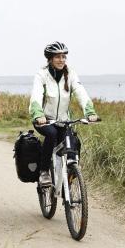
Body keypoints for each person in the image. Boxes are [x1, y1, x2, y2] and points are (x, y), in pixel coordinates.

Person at [29, 41, 99, 186]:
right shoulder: (41, 75)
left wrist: (90, 112)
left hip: (63, 120)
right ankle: (44, 172)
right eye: (57, 57)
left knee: (72, 141)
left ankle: (71, 174)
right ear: (50, 59)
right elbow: (36, 96)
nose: (61, 60)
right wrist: (38, 114)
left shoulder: (71, 74)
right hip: (44, 120)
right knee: (52, 134)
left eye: (63, 56)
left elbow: (81, 93)